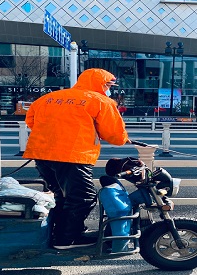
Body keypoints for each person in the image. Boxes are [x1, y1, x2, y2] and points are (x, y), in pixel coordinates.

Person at [23, 68, 129, 249]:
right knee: (83, 197)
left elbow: (31, 122)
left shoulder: (47, 98)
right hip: (73, 155)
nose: (110, 89)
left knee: (62, 196)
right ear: (102, 84)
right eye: (110, 85)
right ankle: (67, 239)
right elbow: (117, 137)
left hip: (41, 154)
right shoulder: (101, 101)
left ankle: (57, 234)